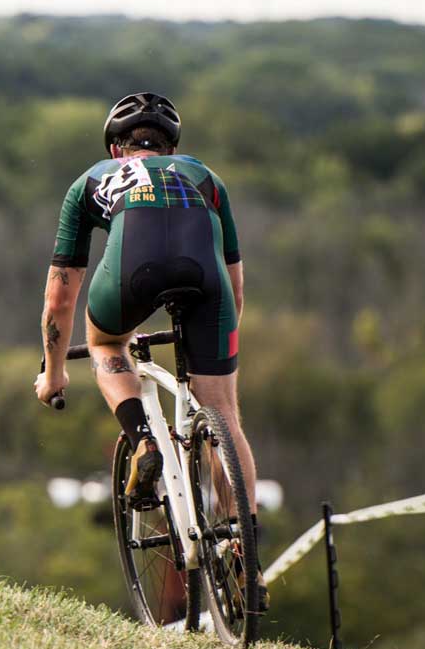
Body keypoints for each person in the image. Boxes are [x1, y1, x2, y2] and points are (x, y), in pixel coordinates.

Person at [34, 92, 261, 598]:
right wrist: (216, 344)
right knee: (225, 413)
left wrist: (53, 373)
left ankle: (144, 441)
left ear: (116, 149)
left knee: (107, 341)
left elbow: (59, 297)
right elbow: (236, 285)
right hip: (208, 286)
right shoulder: (205, 177)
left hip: (131, 276)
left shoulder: (90, 180)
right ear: (170, 147)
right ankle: (247, 546)